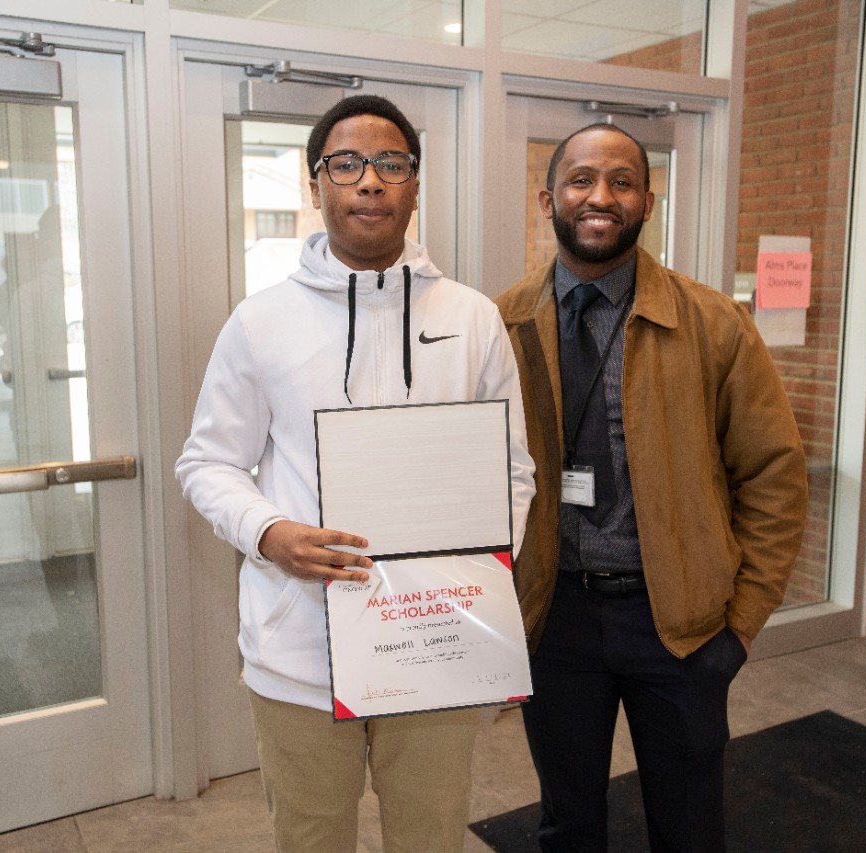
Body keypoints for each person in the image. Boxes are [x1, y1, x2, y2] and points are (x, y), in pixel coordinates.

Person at [176, 95, 535, 853]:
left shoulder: (473, 319)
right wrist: (269, 532)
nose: (369, 181)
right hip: (298, 650)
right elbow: (208, 461)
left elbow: (512, 470)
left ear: (413, 183)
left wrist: (473, 564)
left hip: (434, 644)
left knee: (431, 836)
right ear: (317, 186)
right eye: (346, 163)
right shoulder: (260, 320)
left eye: (391, 163)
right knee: (311, 839)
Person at [494, 123, 809, 853]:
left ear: (648, 201)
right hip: (555, 619)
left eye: (622, 181)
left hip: (680, 623)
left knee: (690, 818)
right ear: (549, 199)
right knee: (567, 819)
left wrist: (739, 624)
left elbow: (773, 475)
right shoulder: (501, 324)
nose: (600, 196)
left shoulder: (714, 324)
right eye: (580, 180)